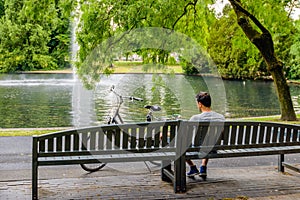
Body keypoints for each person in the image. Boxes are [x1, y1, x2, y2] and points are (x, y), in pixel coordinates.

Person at [186, 91, 225, 179]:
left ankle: (192, 167)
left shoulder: (195, 118)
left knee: (177, 145)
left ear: (200, 104)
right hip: (214, 147)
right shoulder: (221, 117)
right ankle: (203, 167)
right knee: (208, 140)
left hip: (198, 148)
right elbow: (222, 134)